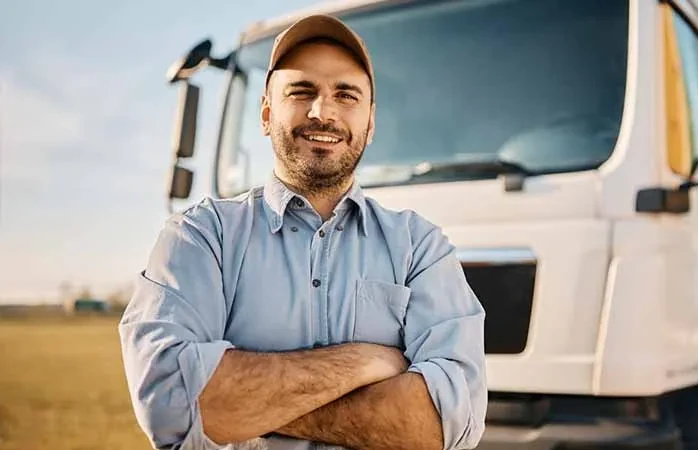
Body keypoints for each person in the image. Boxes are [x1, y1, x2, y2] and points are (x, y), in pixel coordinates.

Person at [119, 14, 487, 450]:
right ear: (266, 113)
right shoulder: (200, 237)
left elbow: (443, 424)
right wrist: (368, 361)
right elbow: (169, 403)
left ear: (370, 124)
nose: (322, 112)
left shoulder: (421, 249)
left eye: (346, 95)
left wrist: (249, 406)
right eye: (301, 91)